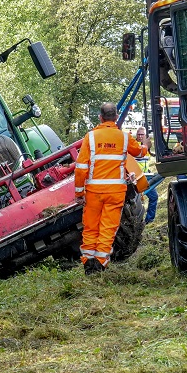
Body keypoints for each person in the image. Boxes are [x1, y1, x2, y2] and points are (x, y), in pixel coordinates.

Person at [74, 103, 148, 274]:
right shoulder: (124, 137)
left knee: (91, 226)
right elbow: (139, 152)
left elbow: (80, 168)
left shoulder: (90, 137)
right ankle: (100, 262)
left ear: (100, 117)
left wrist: (79, 192)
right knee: (108, 227)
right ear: (116, 117)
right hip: (115, 193)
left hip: (93, 193)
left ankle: (88, 262)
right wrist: (145, 145)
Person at [135, 126, 161, 225]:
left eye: (142, 134)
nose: (140, 136)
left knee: (153, 196)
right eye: (139, 134)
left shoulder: (147, 146)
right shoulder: (134, 145)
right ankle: (137, 220)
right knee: (137, 200)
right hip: (136, 177)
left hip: (146, 175)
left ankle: (149, 220)